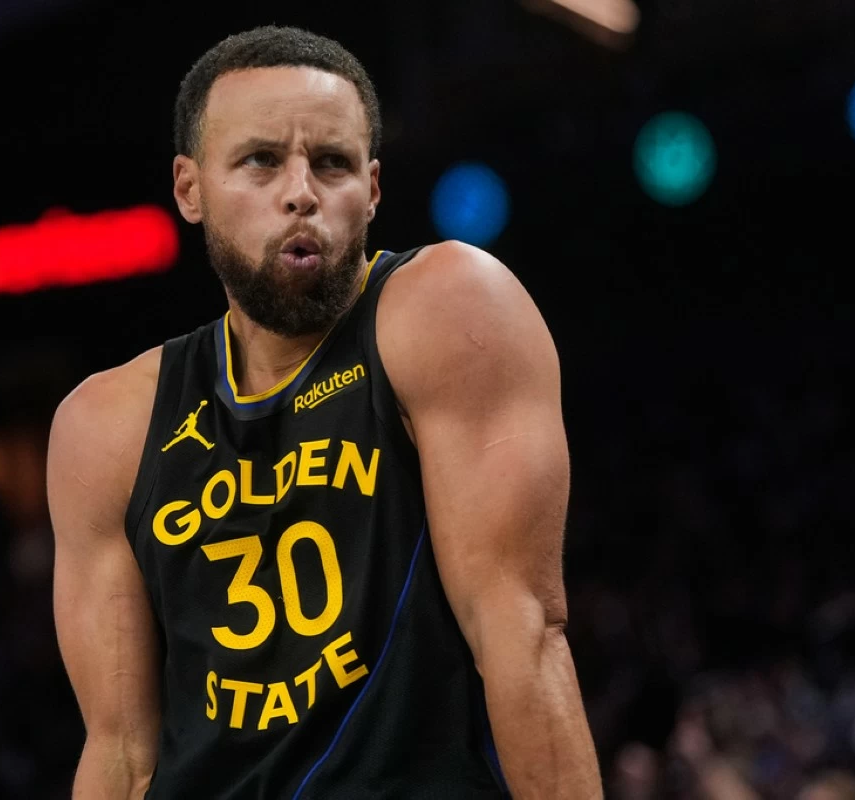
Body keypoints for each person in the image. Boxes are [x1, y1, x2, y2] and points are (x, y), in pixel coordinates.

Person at [47, 25, 600, 799]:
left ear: (373, 189)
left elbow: (524, 639)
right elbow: (120, 755)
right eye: (261, 160)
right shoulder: (105, 425)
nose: (301, 189)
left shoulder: (450, 308)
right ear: (189, 188)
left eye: (332, 163)